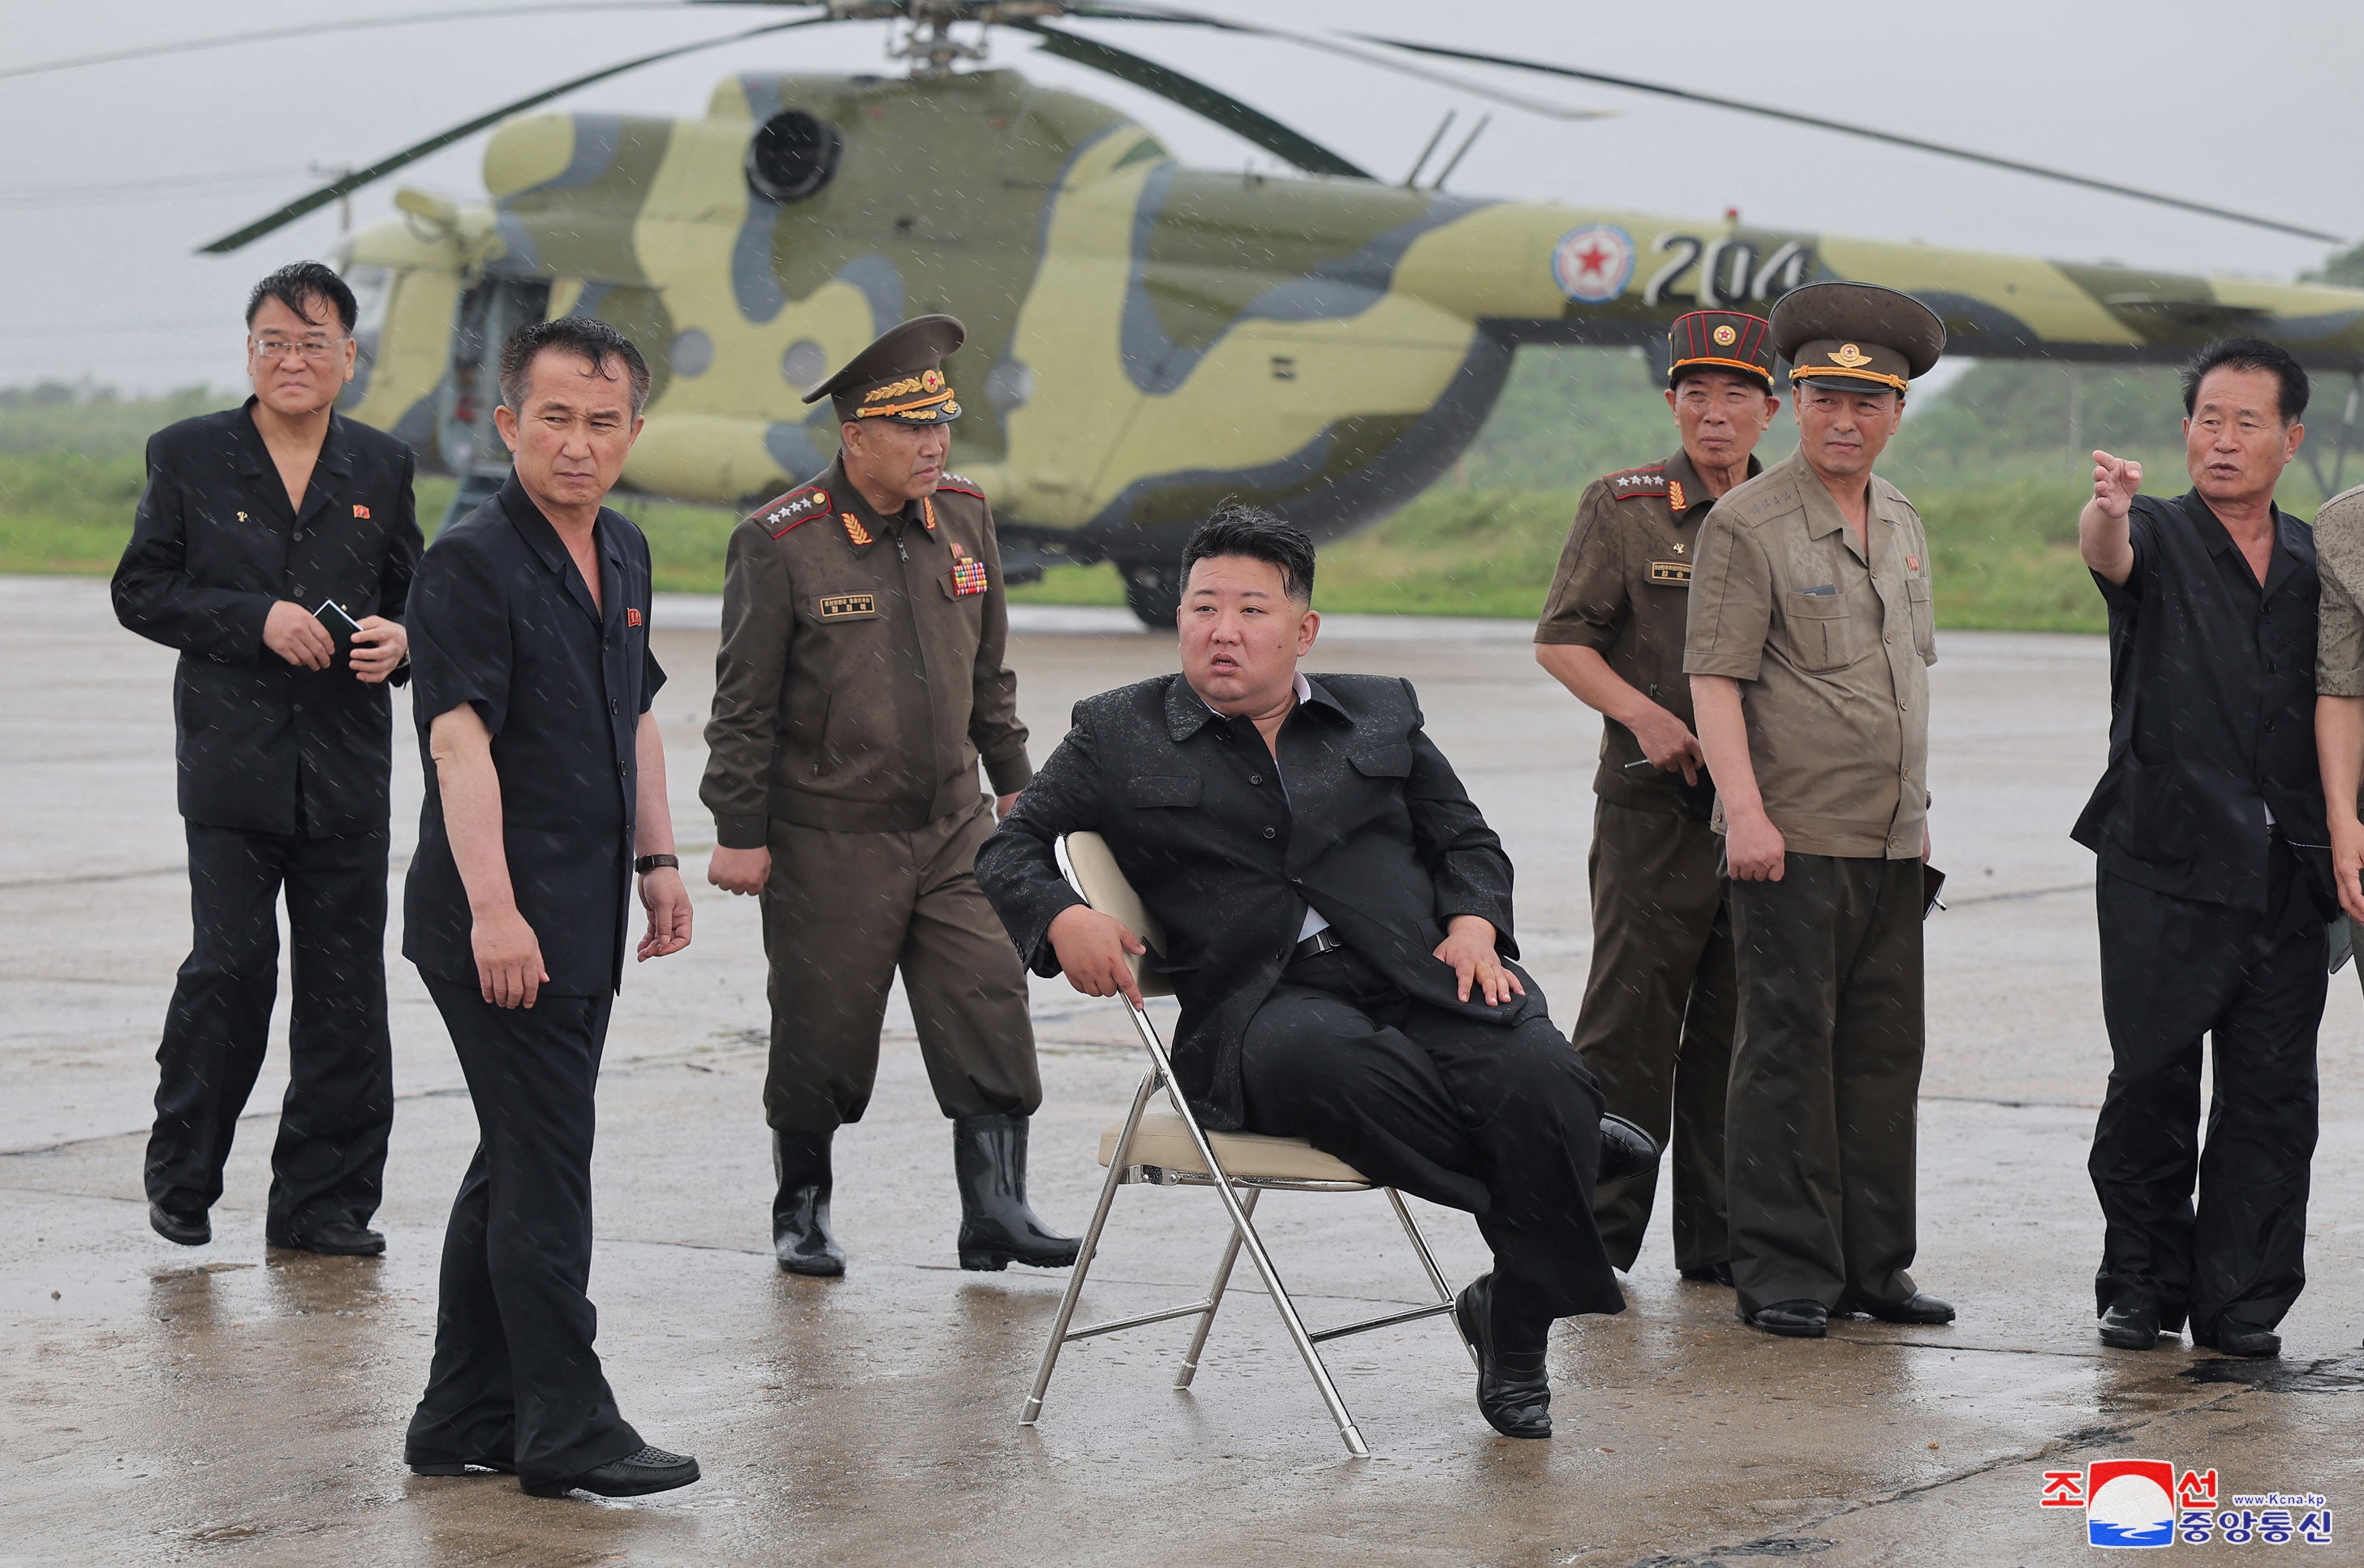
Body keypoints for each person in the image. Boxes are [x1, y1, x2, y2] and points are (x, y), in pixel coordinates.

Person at [977, 506, 1653, 1441]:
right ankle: (1571, 1162)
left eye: (1252, 610)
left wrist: (1472, 922)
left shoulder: (1379, 710)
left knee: (1536, 1076)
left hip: (1425, 971)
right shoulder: (1114, 732)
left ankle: (1515, 1306)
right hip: (1264, 1006)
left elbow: (1465, 838)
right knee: (1363, 1076)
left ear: (1304, 631)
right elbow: (1008, 847)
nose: (1223, 631)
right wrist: (1062, 914)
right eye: (1202, 607)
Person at [702, 315, 1074, 1278]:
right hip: (832, 835)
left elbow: (990, 679)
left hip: (957, 827)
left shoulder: (965, 515)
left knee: (987, 1001)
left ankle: (996, 1209)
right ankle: (804, 1207)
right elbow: (741, 705)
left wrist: (1025, 805)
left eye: (941, 424)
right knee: (823, 1029)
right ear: (854, 434)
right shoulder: (781, 542)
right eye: (911, 429)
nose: (934, 444)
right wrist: (739, 831)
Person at [399, 317, 700, 1497]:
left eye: (604, 421)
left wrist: (660, 860)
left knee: (517, 1158)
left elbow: (634, 715)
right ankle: (566, 1427)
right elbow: (456, 743)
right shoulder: (472, 561)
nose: (580, 445)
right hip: (501, 922)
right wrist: (494, 912)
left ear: (634, 429)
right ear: (509, 424)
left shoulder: (620, 549)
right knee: (546, 1166)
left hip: (583, 911)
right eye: (557, 420)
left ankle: (461, 1417)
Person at [112, 261, 421, 1255]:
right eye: (275, 343)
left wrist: (401, 640)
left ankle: (323, 1206)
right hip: (232, 766)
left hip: (345, 769)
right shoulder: (191, 454)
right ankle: (184, 1179)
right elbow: (142, 590)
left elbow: (417, 595)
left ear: (349, 358)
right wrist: (256, 620)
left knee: (345, 992)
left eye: (314, 343)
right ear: (249, 352)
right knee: (233, 969)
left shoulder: (383, 466)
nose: (294, 360)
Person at [1683, 281, 1954, 1339]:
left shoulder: (1902, 522)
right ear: (1796, 404)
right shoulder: (1747, 523)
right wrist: (1742, 814)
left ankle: (1874, 1268)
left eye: (1868, 403)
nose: (1846, 422)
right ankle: (1787, 1273)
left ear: (1895, 413)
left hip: (1889, 841)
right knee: (1788, 1054)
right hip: (1788, 838)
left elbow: (1902, 675)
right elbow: (1715, 679)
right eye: (1825, 400)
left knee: (1883, 1058)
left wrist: (1916, 809)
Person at [2075, 338, 2329, 1360]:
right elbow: (2106, 551)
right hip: (2163, 858)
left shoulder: (2321, 561)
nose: (2224, 441)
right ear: (2186, 432)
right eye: (2208, 421)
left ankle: (2242, 1302)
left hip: (2289, 871)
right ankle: (2140, 1286)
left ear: (2290, 439)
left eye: (2247, 422)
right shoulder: (2158, 535)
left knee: (2273, 1096)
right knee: (2151, 1079)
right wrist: (2109, 504)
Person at [1535, 309, 1781, 1288]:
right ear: (1671, 402)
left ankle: (1718, 1244)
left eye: (1734, 397)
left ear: (1772, 410)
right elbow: (1562, 639)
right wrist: (1644, 715)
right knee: (1627, 1030)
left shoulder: (1791, 512)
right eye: (1694, 394)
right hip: (1653, 808)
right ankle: (1592, 1241)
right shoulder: (1626, 505)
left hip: (1759, 815)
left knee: (1736, 1028)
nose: (1712, 415)